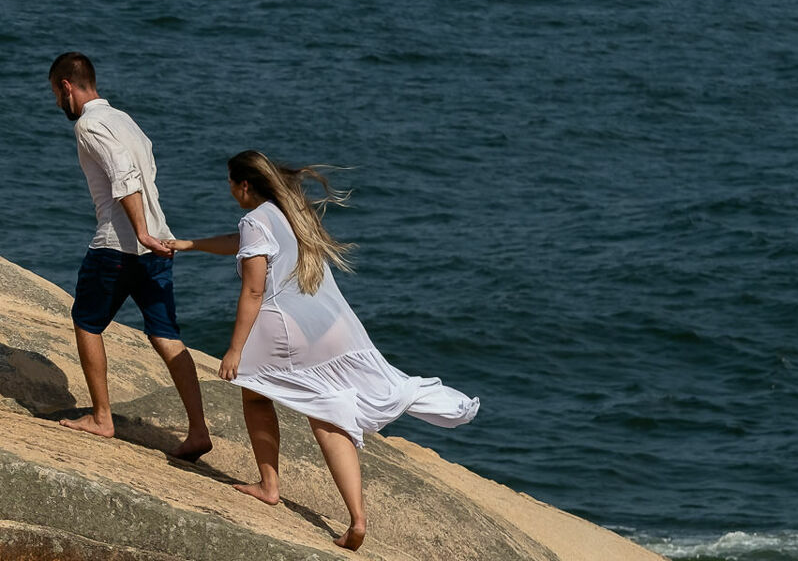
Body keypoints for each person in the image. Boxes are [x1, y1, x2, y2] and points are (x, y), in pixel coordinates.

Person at [173, 150, 480, 552]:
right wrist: (188, 244)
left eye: (230, 184)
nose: (230, 191)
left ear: (243, 185)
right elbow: (239, 244)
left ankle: (269, 485)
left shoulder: (254, 219)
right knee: (326, 412)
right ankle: (356, 518)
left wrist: (235, 349)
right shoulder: (289, 213)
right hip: (321, 325)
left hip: (281, 327)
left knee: (256, 394)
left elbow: (253, 289)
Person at [48, 52, 212, 459]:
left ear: (67, 86)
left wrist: (138, 231)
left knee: (86, 321)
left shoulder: (89, 124)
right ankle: (198, 430)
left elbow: (124, 175)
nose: (56, 103)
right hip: (160, 242)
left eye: (55, 93)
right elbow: (145, 172)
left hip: (119, 245)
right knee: (166, 335)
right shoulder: (126, 120)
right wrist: (151, 233)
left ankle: (102, 417)